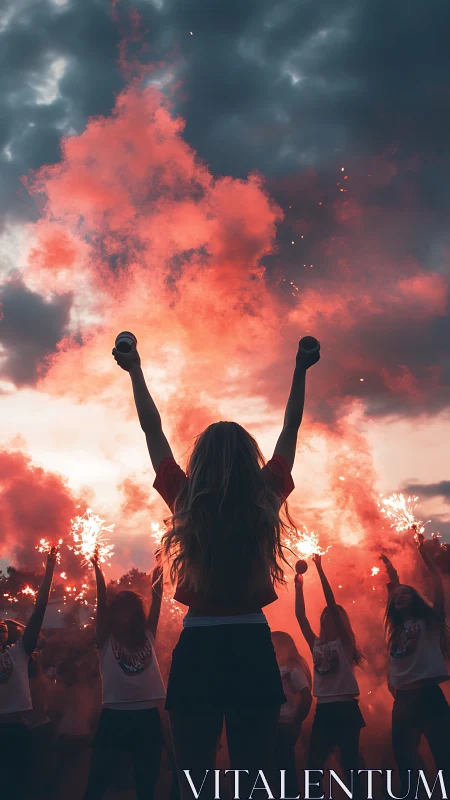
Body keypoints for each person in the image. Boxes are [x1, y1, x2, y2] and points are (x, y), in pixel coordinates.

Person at [112, 335, 320, 799]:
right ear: (251, 459)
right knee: (253, 778)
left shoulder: (186, 500)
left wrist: (136, 371)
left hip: (200, 643)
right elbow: (291, 429)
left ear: (200, 460)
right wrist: (301, 369)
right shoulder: (263, 499)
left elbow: (153, 433)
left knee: (193, 778)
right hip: (251, 641)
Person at [83, 554, 165, 800]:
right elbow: (100, 601)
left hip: (148, 714)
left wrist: (160, 566)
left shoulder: (148, 634)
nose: (125, 615)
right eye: (120, 610)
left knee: (146, 783)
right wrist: (98, 570)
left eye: (130, 609)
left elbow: (158, 598)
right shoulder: (105, 640)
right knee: (98, 780)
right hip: (114, 715)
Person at [381, 533, 450, 794]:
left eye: (405, 594)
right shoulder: (394, 630)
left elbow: (437, 584)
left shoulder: (430, 622)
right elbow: (393, 590)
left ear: (415, 599)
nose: (400, 597)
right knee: (405, 761)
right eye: (397, 596)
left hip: (429, 697)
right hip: (403, 701)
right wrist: (391, 572)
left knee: (444, 757)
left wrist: (424, 555)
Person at [295, 554, 365, 796]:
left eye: (331, 615)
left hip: (346, 708)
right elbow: (300, 617)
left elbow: (331, 601)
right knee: (314, 763)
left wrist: (319, 568)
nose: (327, 618)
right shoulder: (315, 643)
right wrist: (299, 588)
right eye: (323, 615)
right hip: (323, 709)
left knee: (349, 763)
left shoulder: (344, 642)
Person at [0, 548, 57, 799]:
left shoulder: (19, 652)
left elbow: (40, 608)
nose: (1, 622)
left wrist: (50, 569)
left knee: (20, 787)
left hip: (17, 730)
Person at [271, 631, 312, 798]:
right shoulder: (272, 669)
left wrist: (296, 720)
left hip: (286, 725)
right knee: (276, 766)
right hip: (273, 724)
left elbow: (307, 697)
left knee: (284, 765)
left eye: (273, 644)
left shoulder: (290, 670)